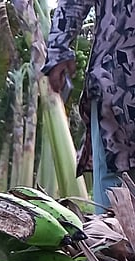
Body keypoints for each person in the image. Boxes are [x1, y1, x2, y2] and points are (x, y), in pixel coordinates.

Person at [46, 1, 134, 210]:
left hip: (115, 77)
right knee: (116, 187)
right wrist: (58, 48)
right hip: (117, 80)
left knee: (115, 181)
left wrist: (58, 48)